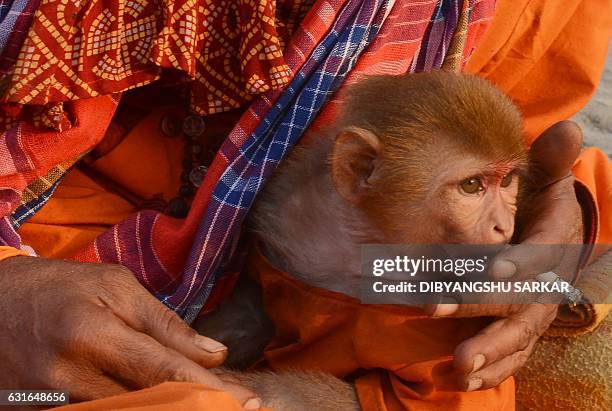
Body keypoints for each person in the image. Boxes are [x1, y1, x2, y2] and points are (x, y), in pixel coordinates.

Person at [0, 0, 609, 409]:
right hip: (56, 260)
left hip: (371, 250)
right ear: (357, 168)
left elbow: (506, 120)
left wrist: (556, 205)